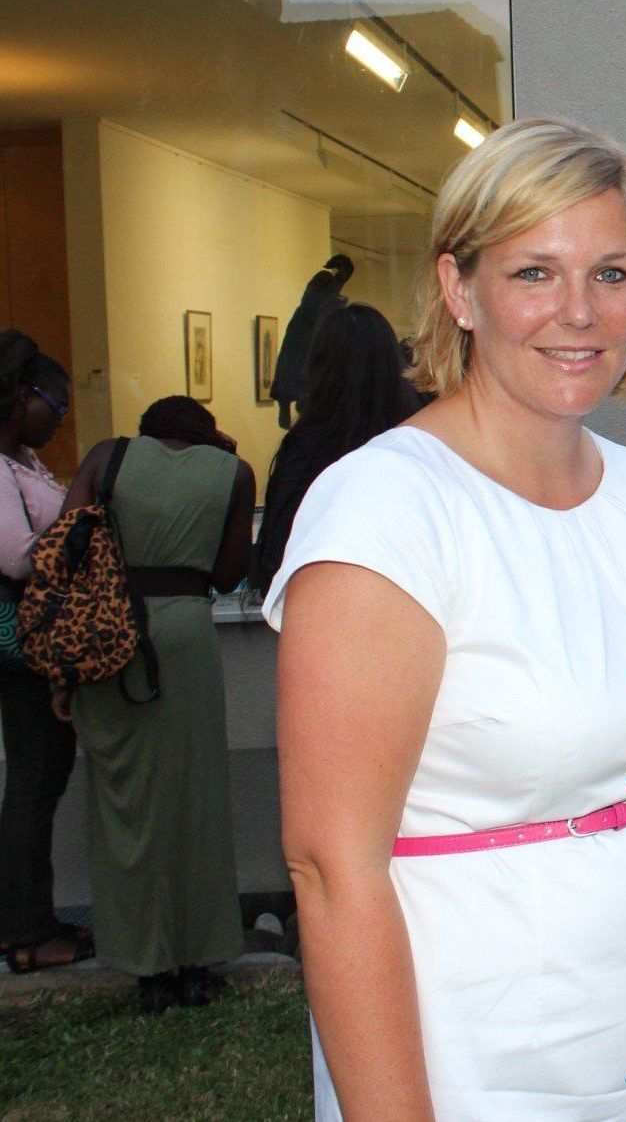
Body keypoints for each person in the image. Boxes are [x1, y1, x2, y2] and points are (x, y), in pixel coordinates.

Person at [267, 117, 626, 1120]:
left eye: (610, 273)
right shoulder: (390, 510)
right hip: (470, 1060)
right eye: (534, 272)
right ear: (459, 289)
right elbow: (331, 868)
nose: (578, 311)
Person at [57, 397, 255, 1011]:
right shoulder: (233, 472)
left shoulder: (106, 458)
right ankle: (197, 963)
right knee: (196, 798)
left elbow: (64, 549)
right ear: (204, 432)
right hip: (186, 636)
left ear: (146, 432)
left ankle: (145, 966)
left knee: (125, 802)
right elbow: (227, 575)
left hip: (109, 635)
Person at [0, 333, 90, 974]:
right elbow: (16, 558)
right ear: (18, 397)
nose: (60, 418)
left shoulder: (22, 461)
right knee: (33, 784)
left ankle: (29, 923)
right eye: (54, 405)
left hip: (34, 646)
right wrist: (82, 524)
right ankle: (26, 934)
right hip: (21, 648)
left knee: (39, 782)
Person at [250, 303, 420, 593]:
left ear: (319, 364)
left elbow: (277, 552)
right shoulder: (414, 440)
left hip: (318, 597)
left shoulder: (308, 445)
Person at [272, 253, 356, 428]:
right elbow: (316, 306)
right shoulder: (324, 282)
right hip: (307, 336)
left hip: (310, 337)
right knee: (297, 368)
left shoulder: (328, 295)